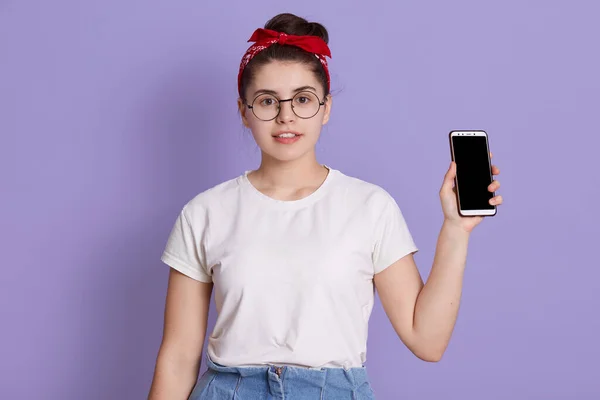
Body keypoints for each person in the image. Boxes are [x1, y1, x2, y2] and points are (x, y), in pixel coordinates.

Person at [147, 12, 503, 400]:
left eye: (303, 99)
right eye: (267, 101)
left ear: (326, 107)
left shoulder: (369, 207)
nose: (286, 116)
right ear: (244, 111)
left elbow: (427, 341)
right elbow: (179, 356)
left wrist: (456, 229)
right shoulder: (204, 213)